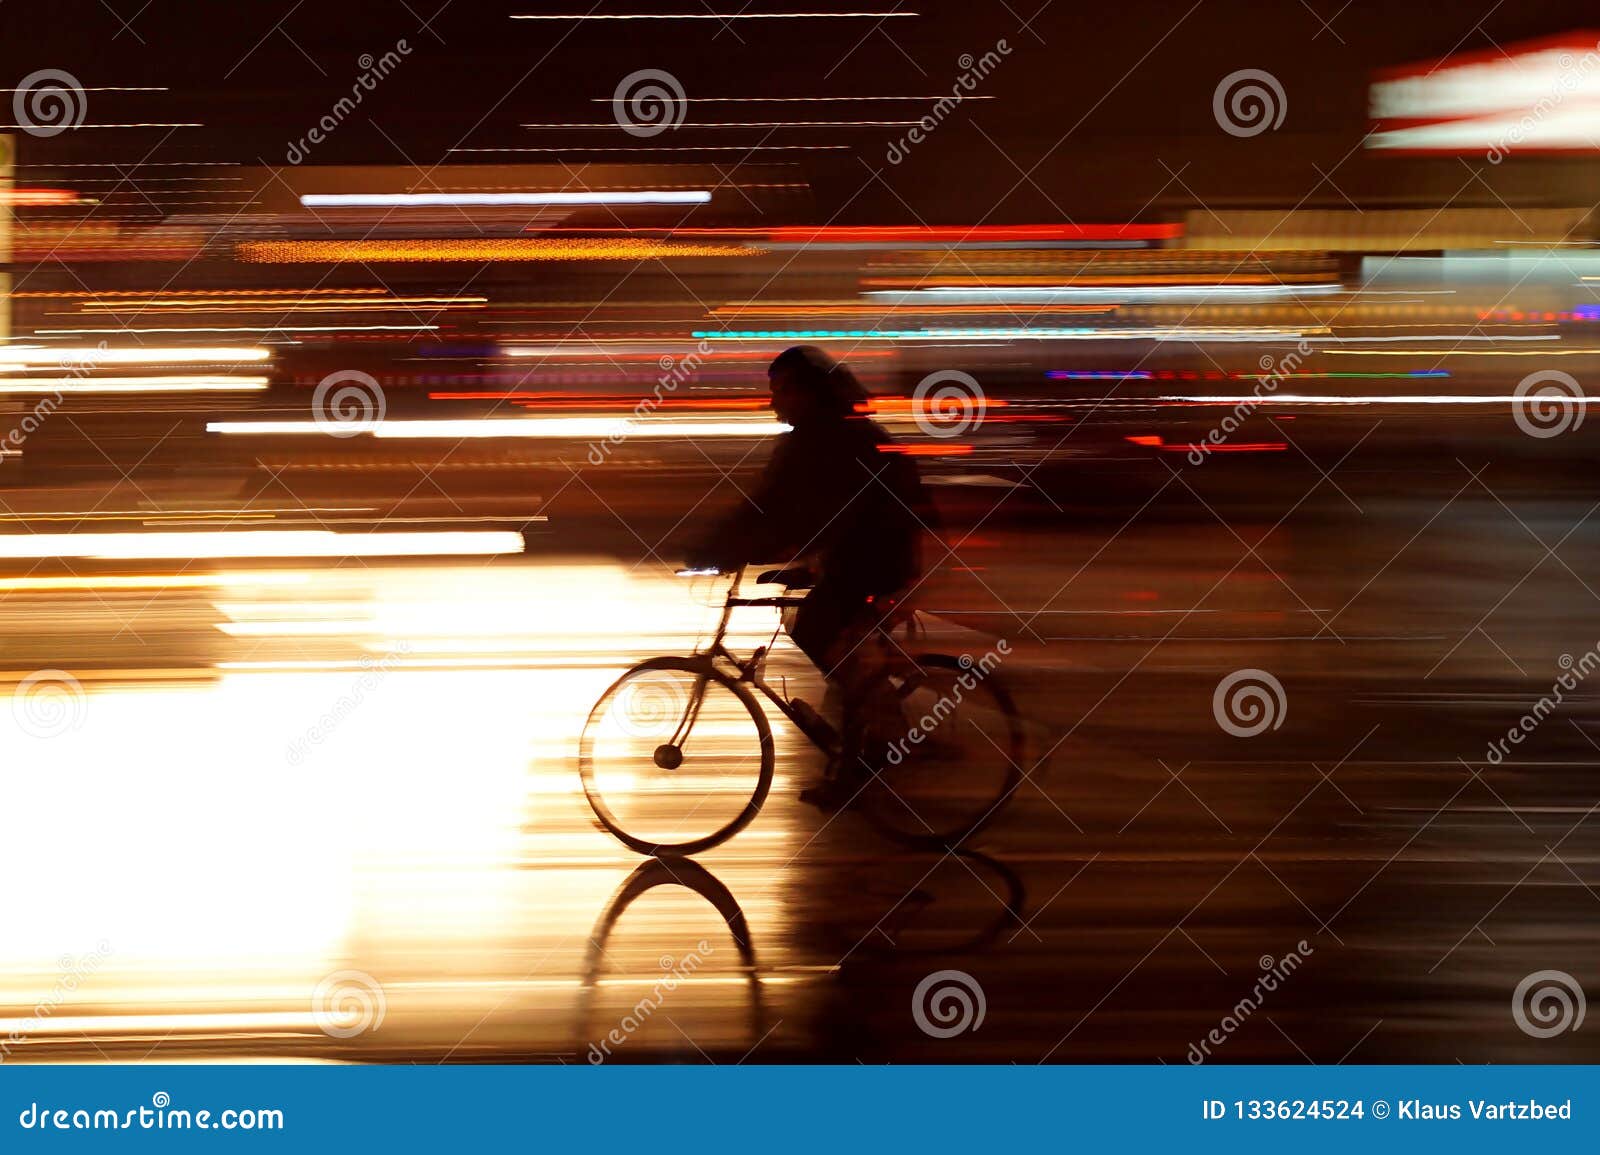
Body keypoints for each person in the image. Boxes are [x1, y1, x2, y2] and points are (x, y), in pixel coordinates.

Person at [687, 345, 933, 809]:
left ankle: (869, 756)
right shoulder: (832, 429)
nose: (774, 402)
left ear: (805, 392)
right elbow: (805, 513)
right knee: (811, 627)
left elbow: (769, 510)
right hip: (869, 553)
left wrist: (716, 550)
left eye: (780, 390)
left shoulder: (818, 440)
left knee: (824, 630)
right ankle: (879, 730)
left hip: (875, 559)